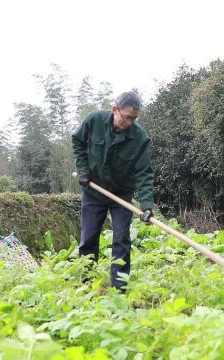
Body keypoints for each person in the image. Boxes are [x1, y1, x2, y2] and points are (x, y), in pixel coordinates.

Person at [72, 91, 154, 290]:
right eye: (127, 118)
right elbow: (77, 141)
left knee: (122, 240)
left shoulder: (140, 138)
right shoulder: (95, 120)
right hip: (94, 191)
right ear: (114, 109)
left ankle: (120, 288)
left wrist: (146, 206)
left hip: (121, 195)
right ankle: (86, 283)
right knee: (88, 238)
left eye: (135, 118)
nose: (130, 123)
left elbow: (144, 173)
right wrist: (83, 171)